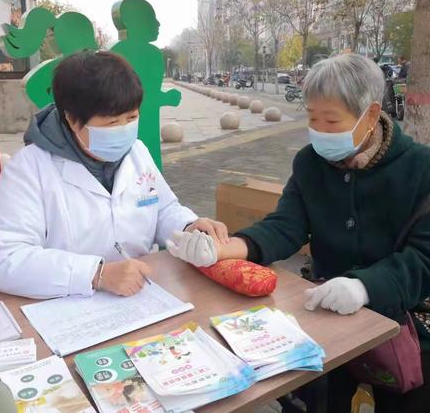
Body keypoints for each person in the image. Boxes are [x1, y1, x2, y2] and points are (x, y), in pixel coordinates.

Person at [167, 53, 430, 412]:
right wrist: (225, 248)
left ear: (369, 116)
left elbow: (423, 259)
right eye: (312, 118)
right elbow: (285, 226)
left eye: (331, 120)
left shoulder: (420, 169)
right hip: (324, 311)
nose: (319, 130)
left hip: (405, 324)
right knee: (313, 398)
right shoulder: (309, 163)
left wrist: (364, 286)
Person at [0, 50, 227, 300]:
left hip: (140, 297)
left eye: (131, 118)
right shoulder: (30, 168)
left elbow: (161, 208)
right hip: (65, 307)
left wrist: (189, 226)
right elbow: (4, 258)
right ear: (72, 119)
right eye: (111, 123)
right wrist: (95, 274)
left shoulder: (136, 152)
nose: (124, 130)